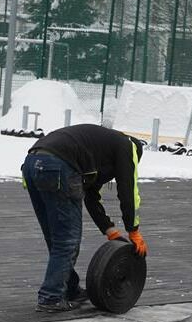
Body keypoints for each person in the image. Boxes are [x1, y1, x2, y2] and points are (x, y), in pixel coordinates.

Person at [21, 124, 148, 312]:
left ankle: (69, 289)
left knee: (56, 238)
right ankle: (51, 297)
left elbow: (90, 196)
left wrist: (109, 230)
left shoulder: (97, 151)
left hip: (32, 165)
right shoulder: (127, 147)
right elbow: (128, 191)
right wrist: (133, 230)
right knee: (67, 241)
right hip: (59, 165)